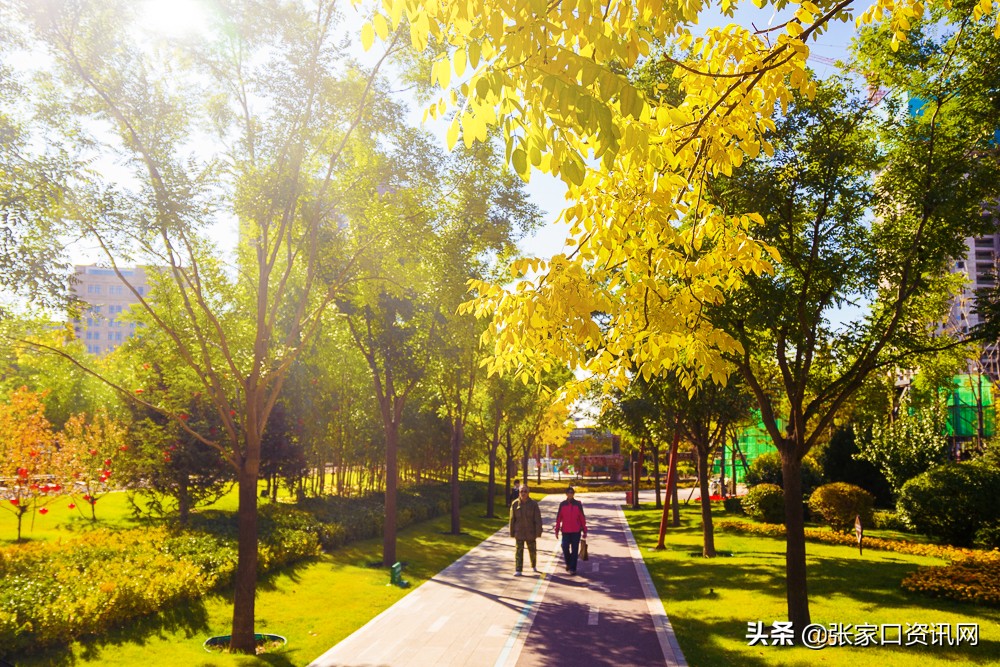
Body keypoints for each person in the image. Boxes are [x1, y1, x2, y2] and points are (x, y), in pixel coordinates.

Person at [509, 485, 543, 575]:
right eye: (521, 491)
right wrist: (512, 532)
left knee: (532, 551)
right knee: (518, 551)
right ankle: (518, 569)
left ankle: (533, 565)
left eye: (525, 491)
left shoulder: (533, 504)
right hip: (519, 531)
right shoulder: (515, 504)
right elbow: (512, 519)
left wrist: (538, 532)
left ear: (528, 493)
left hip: (530, 532)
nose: (523, 493)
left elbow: (538, 519)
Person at [554, 486, 587, 575]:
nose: (570, 494)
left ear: (573, 494)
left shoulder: (578, 504)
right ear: (566, 494)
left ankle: (573, 568)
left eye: (571, 493)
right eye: (568, 493)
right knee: (565, 547)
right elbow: (558, 518)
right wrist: (556, 530)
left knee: (575, 549)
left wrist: (585, 530)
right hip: (565, 531)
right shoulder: (562, 504)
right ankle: (568, 563)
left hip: (576, 531)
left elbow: (582, 518)